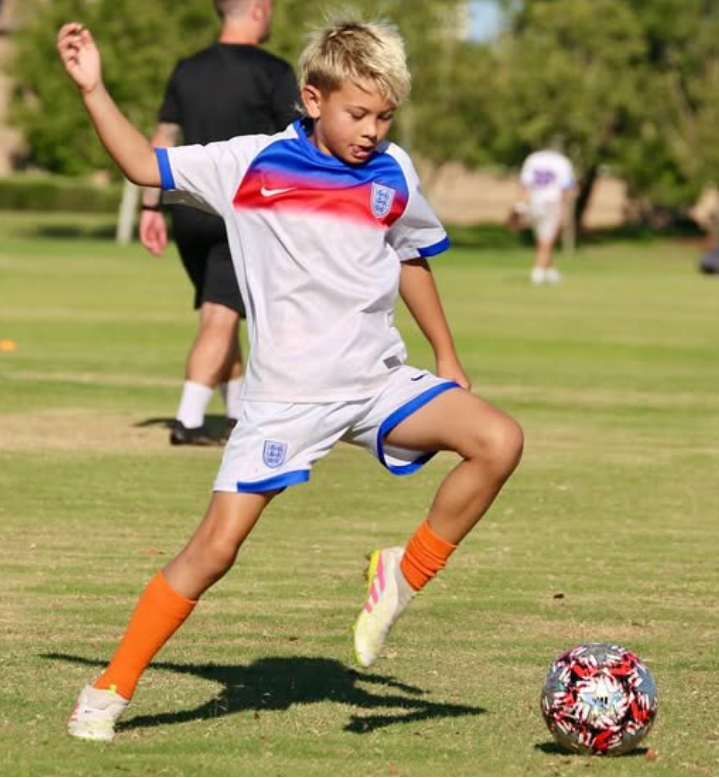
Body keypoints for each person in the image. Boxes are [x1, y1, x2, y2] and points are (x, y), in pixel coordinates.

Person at [57, 11, 525, 743]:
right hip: (285, 402)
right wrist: (93, 89)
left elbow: (410, 257)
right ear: (313, 99)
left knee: (499, 440)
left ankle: (400, 575)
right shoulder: (251, 163)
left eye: (384, 116)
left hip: (377, 384)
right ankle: (110, 686)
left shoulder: (394, 170)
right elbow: (145, 166)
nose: (371, 130)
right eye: (357, 114)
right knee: (214, 550)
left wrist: (448, 357)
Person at [139, 0, 299, 446]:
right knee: (220, 315)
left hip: (188, 209)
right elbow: (296, 147)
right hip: (242, 210)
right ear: (259, 9)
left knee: (222, 312)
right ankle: (187, 421)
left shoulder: (187, 70)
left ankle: (236, 415)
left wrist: (150, 208)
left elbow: (163, 140)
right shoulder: (274, 73)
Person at [518, 147, 576, 285]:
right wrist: (564, 209)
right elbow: (565, 187)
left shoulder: (533, 159)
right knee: (546, 241)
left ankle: (550, 271)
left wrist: (521, 206)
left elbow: (525, 184)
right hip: (552, 204)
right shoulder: (562, 161)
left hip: (534, 203)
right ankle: (538, 272)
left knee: (542, 240)